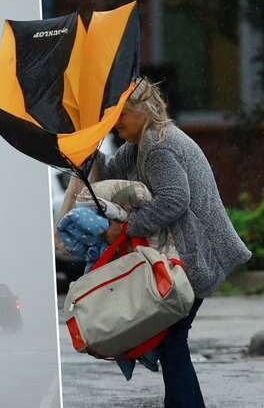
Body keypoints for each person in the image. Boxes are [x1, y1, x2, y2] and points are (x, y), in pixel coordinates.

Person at [94, 77, 252, 407]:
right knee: (171, 339)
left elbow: (174, 199)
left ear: (143, 110)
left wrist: (127, 229)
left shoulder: (158, 145)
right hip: (187, 250)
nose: (116, 120)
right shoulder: (138, 144)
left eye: (122, 113)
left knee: (172, 338)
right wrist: (87, 149)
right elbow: (109, 172)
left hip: (197, 252)